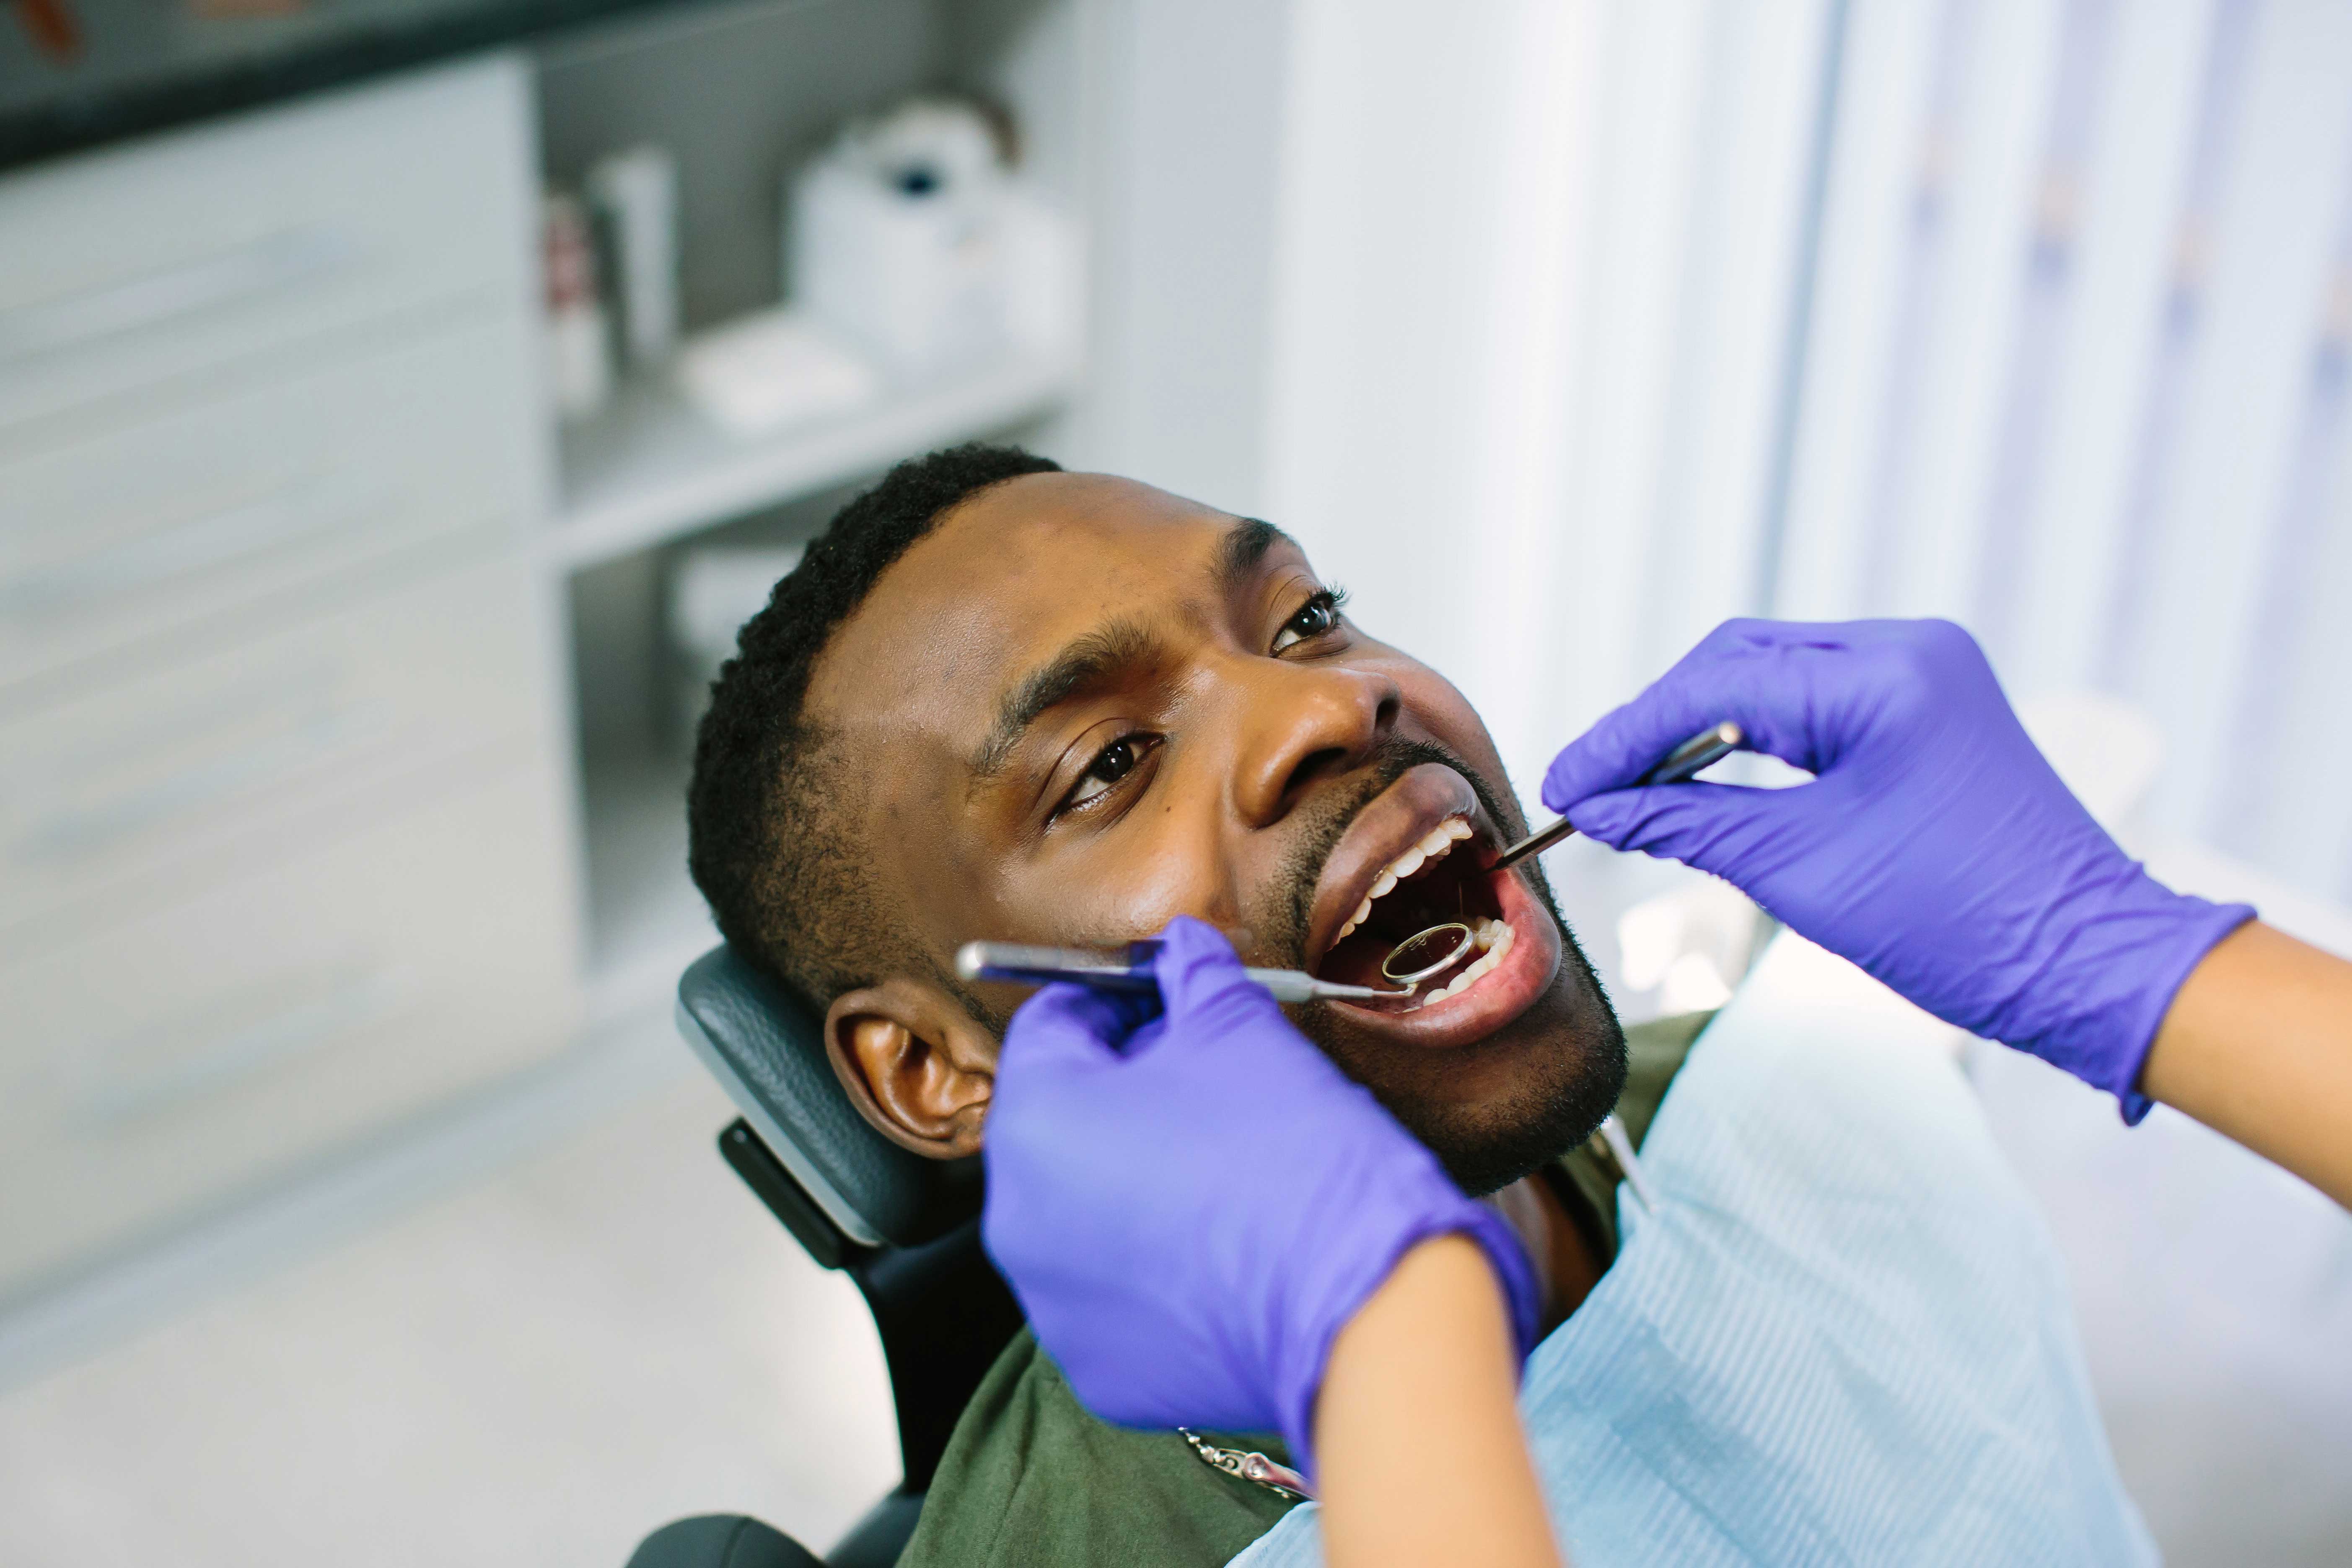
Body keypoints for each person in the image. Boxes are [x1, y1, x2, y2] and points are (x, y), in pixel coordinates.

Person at [686, 446, 2172, 1566]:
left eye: (1305, 616)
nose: (1331, 706)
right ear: (936, 1069)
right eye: (1106, 766)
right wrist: (1379, 1327)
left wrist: (2139, 966)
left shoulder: (1804, 1103)